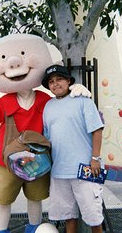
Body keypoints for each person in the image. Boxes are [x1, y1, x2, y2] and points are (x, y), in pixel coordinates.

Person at [0, 34, 91, 233]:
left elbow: (63, 110)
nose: (15, 64)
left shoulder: (45, 99)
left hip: (38, 159)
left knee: (35, 198)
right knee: (3, 199)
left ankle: (34, 228)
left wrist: (74, 90)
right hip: (4, 160)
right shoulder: (5, 101)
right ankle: (0, 230)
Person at [42, 65, 105, 233]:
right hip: (59, 170)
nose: (55, 84)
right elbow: (48, 137)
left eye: (59, 79)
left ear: (69, 81)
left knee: (94, 217)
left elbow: (97, 130)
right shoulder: (48, 106)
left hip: (87, 168)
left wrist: (96, 159)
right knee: (68, 216)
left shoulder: (83, 100)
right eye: (51, 81)